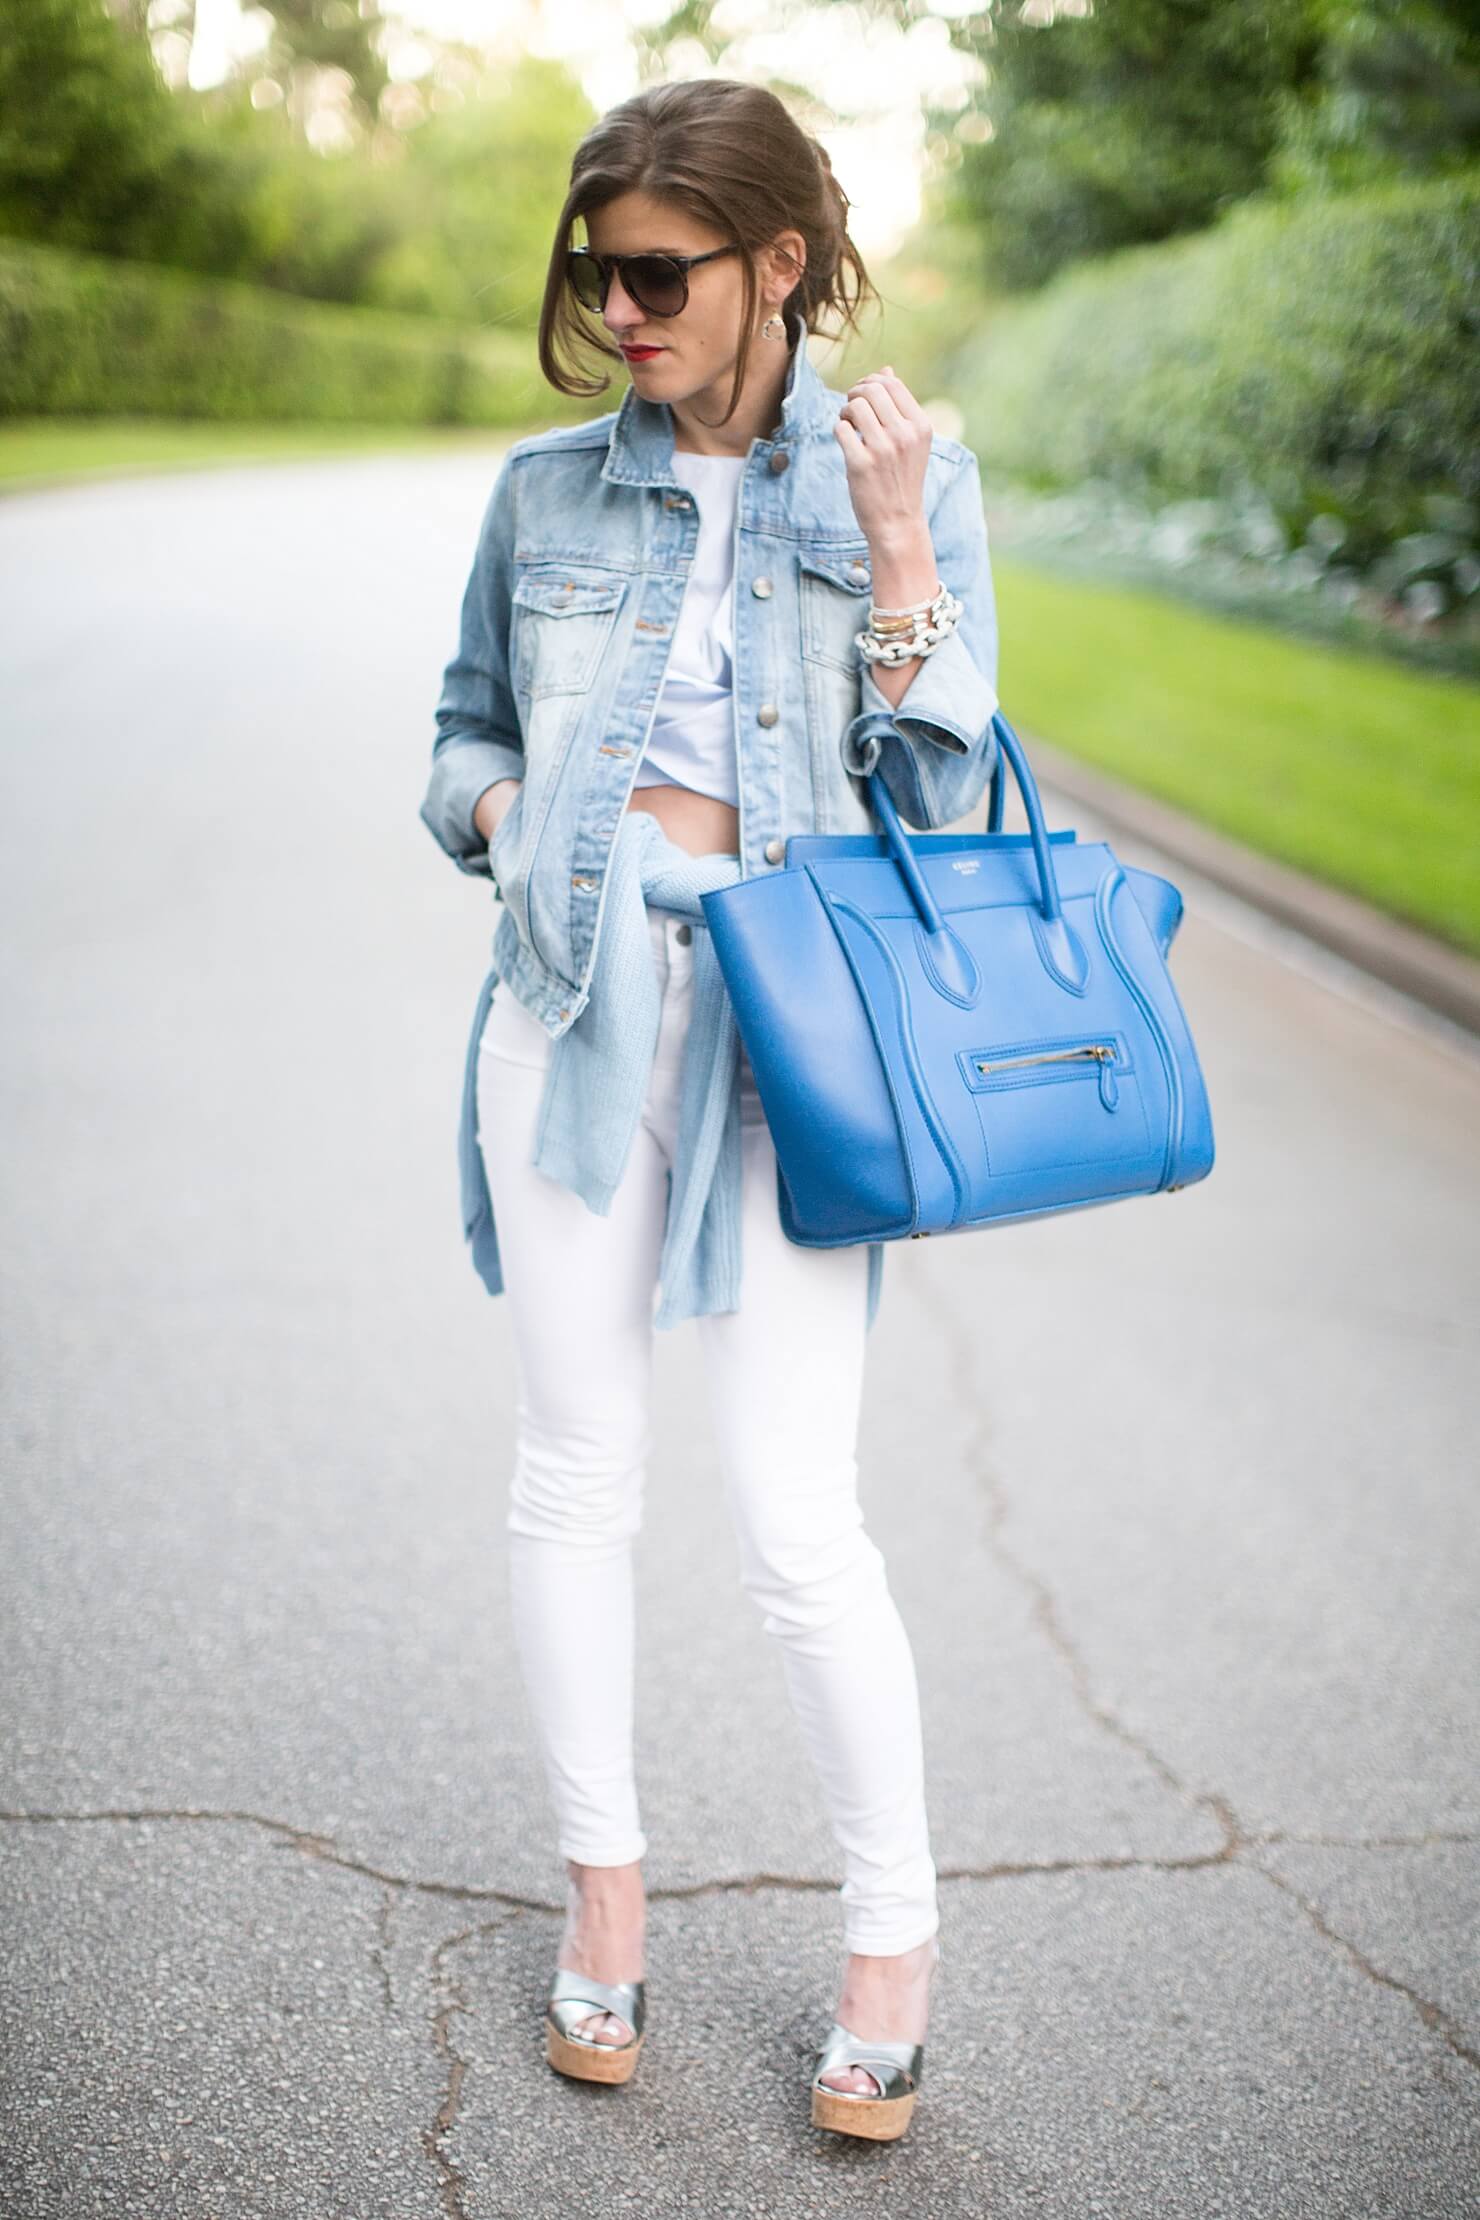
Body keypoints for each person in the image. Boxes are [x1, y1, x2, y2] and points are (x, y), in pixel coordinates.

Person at [419, 76, 1000, 2142]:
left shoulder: (896, 484)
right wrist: (508, 827)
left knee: (794, 1519)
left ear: (778, 263)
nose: (621, 310)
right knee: (573, 1475)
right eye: (598, 272)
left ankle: (889, 1943)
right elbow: (457, 737)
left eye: (660, 272)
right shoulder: (543, 492)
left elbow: (940, 808)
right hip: (571, 1019)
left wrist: (907, 540)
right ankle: (604, 1892)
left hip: (795, 1049)